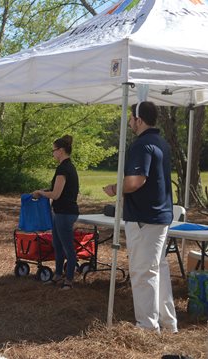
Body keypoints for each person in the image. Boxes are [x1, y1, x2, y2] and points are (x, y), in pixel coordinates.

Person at [103, 101, 177, 333]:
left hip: (145, 218)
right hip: (159, 215)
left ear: (139, 120)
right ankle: (168, 323)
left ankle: (147, 326)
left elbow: (136, 181)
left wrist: (115, 188)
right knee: (158, 270)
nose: (130, 123)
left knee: (143, 272)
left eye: (131, 119)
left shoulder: (142, 145)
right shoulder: (161, 143)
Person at [33, 135, 79, 290]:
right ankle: (58, 275)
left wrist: (41, 192)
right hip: (61, 212)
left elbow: (56, 195)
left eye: (54, 150)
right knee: (57, 245)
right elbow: (58, 191)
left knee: (67, 248)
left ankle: (69, 280)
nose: (53, 153)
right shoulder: (68, 167)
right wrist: (45, 191)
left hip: (65, 213)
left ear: (60, 151)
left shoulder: (63, 168)